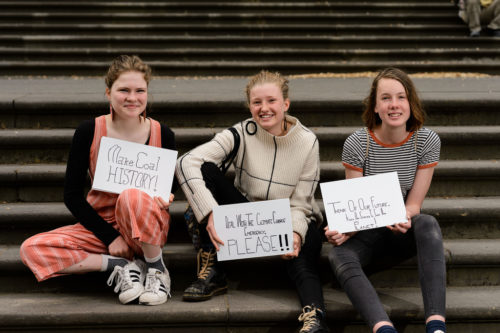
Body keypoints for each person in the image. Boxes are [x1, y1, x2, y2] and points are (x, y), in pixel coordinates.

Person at [176, 70, 328, 333]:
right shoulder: (240, 133)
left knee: (303, 254)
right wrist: (211, 212)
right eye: (257, 102)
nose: (264, 108)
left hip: (291, 217)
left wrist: (295, 233)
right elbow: (186, 162)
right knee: (206, 171)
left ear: (285, 104)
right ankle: (214, 271)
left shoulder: (307, 141)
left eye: (271, 101)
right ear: (250, 106)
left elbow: (302, 203)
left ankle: (315, 318)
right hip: (248, 220)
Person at [20, 55, 176, 306]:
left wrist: (167, 196)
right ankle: (120, 265)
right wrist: (109, 238)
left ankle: (156, 269)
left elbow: (168, 187)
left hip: (143, 226)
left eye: (140, 90)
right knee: (31, 248)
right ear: (108, 93)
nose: (132, 97)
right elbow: (71, 196)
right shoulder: (88, 131)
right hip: (100, 225)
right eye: (123, 90)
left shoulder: (163, 133)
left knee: (132, 195)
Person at [325, 68, 446, 333]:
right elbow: (355, 206)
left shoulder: (426, 141)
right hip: (369, 233)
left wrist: (404, 216)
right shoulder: (358, 143)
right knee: (338, 254)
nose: (394, 105)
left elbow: (414, 204)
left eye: (401, 97)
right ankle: (382, 328)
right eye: (386, 98)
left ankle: (436, 325)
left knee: (427, 224)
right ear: (376, 106)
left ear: (410, 104)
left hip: (402, 228)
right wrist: (345, 229)